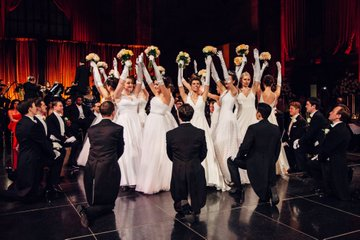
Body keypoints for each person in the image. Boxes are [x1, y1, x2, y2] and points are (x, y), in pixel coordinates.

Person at [177, 56, 225, 190]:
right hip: (190, 126)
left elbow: (208, 83)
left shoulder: (203, 97)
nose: (196, 85)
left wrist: (208, 66)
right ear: (191, 85)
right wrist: (180, 67)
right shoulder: (186, 97)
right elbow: (180, 85)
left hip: (202, 125)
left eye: (198, 84)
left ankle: (209, 178)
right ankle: (191, 178)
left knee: (206, 150)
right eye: (194, 84)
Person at [77, 101, 124, 227]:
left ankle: (90, 209)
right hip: (109, 166)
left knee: (96, 199)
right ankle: (87, 211)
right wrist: (111, 159)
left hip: (91, 165)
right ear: (113, 113)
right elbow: (120, 149)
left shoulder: (92, 129)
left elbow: (93, 146)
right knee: (109, 205)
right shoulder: (118, 129)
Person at [1, 99, 55, 202]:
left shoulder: (24, 122)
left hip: (27, 155)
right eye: (35, 106)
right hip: (31, 156)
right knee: (26, 190)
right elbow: (41, 142)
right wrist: (52, 153)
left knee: (30, 181)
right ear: (30, 109)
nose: (36, 108)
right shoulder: (31, 124)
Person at [227, 103, 281, 205]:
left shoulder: (253, 128)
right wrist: (272, 161)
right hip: (269, 163)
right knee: (264, 195)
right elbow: (277, 148)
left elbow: (245, 147)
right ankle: (271, 189)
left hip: (254, 163)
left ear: (259, 114)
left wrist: (238, 157)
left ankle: (238, 188)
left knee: (230, 161)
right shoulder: (275, 128)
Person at [166, 104, 207, 220]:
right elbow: (203, 152)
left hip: (178, 167)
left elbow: (169, 153)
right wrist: (195, 161)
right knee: (196, 185)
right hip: (194, 165)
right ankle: (196, 207)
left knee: (178, 188)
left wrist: (178, 162)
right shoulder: (200, 132)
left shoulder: (170, 134)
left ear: (178, 115)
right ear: (192, 116)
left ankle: (181, 206)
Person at [319, 104, 352, 200]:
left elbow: (329, 147)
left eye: (333, 111)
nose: (330, 112)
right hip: (333, 160)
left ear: (338, 116)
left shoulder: (339, 130)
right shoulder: (336, 128)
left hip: (335, 162)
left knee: (338, 190)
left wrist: (321, 157)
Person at [282, 101, 307, 173]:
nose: (289, 110)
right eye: (289, 108)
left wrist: (288, 142)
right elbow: (287, 132)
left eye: (291, 108)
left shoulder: (301, 121)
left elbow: (298, 135)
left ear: (297, 110)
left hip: (297, 145)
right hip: (290, 145)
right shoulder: (289, 119)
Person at [7, 99, 21, 170]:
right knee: (16, 125)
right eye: (15, 103)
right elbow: (12, 119)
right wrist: (20, 121)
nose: (16, 105)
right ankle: (15, 143)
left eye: (18, 103)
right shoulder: (10, 111)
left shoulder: (21, 111)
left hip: (20, 125)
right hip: (14, 124)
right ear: (13, 104)